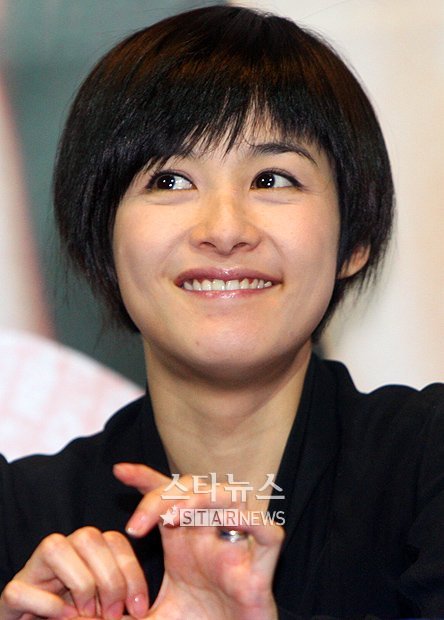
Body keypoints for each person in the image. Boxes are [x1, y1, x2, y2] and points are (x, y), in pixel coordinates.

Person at [0, 5, 443, 619]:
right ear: (100, 241)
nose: (225, 229)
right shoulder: (20, 522)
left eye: (273, 179)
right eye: (170, 181)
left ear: (355, 240)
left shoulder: (426, 466)